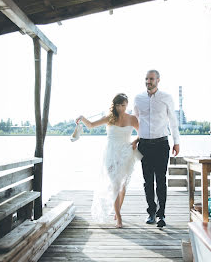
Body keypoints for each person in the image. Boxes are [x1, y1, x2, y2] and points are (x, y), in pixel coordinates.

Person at [76, 93, 142, 228]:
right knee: (115, 185)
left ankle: (117, 211)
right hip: (111, 154)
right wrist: (82, 117)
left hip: (126, 153)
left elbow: (142, 133)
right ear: (114, 105)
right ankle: (119, 218)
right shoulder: (109, 118)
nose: (121, 108)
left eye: (123, 105)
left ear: (127, 105)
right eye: (118, 105)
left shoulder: (132, 119)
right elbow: (91, 125)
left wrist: (135, 141)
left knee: (123, 185)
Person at [133, 70, 180, 227]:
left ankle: (161, 215)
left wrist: (176, 141)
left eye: (151, 79)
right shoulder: (138, 99)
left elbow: (173, 121)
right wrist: (134, 140)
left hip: (161, 144)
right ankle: (151, 213)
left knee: (161, 180)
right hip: (144, 145)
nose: (148, 81)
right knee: (147, 181)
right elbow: (136, 121)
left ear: (158, 80)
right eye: (146, 78)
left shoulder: (166, 98)